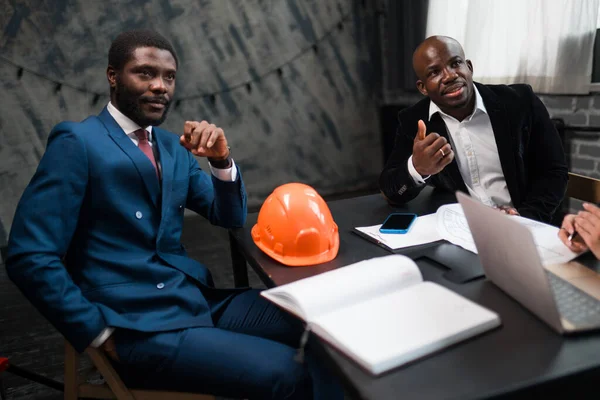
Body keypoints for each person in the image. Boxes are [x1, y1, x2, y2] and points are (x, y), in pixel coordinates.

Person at [5, 29, 341, 400]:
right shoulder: (78, 142)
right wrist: (97, 332)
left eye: (169, 76)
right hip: (137, 325)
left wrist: (221, 162)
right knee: (287, 373)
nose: (161, 86)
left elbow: (227, 216)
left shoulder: (171, 146)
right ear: (113, 76)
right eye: (145, 73)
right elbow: (28, 256)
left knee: (327, 319)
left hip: (193, 299)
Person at [379, 35, 568, 223]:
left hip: (526, 224)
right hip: (462, 230)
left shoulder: (520, 101)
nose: (450, 76)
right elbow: (392, 192)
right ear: (423, 88)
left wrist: (524, 219)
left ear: (469, 67)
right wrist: (417, 168)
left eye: (455, 64)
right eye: (434, 72)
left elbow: (554, 172)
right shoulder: (415, 121)